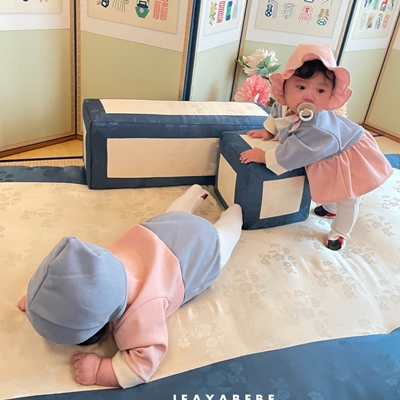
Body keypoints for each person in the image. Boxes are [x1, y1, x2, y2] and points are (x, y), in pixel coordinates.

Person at [17, 184, 242, 388]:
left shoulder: (141, 309)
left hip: (201, 246)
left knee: (225, 236)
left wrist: (101, 371)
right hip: (162, 229)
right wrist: (44, 300)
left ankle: (235, 213)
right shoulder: (97, 262)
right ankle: (196, 193)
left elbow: (143, 363)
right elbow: (70, 277)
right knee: (176, 214)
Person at [239, 44, 393, 251]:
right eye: (301, 87)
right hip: (325, 152)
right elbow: (276, 113)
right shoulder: (284, 103)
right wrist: (269, 131)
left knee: (348, 194)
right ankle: (330, 207)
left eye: (320, 90)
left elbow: (295, 152)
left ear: (330, 96)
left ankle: (340, 233)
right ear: (285, 87)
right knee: (330, 182)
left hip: (348, 151)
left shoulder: (315, 126)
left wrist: (264, 156)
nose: (309, 96)